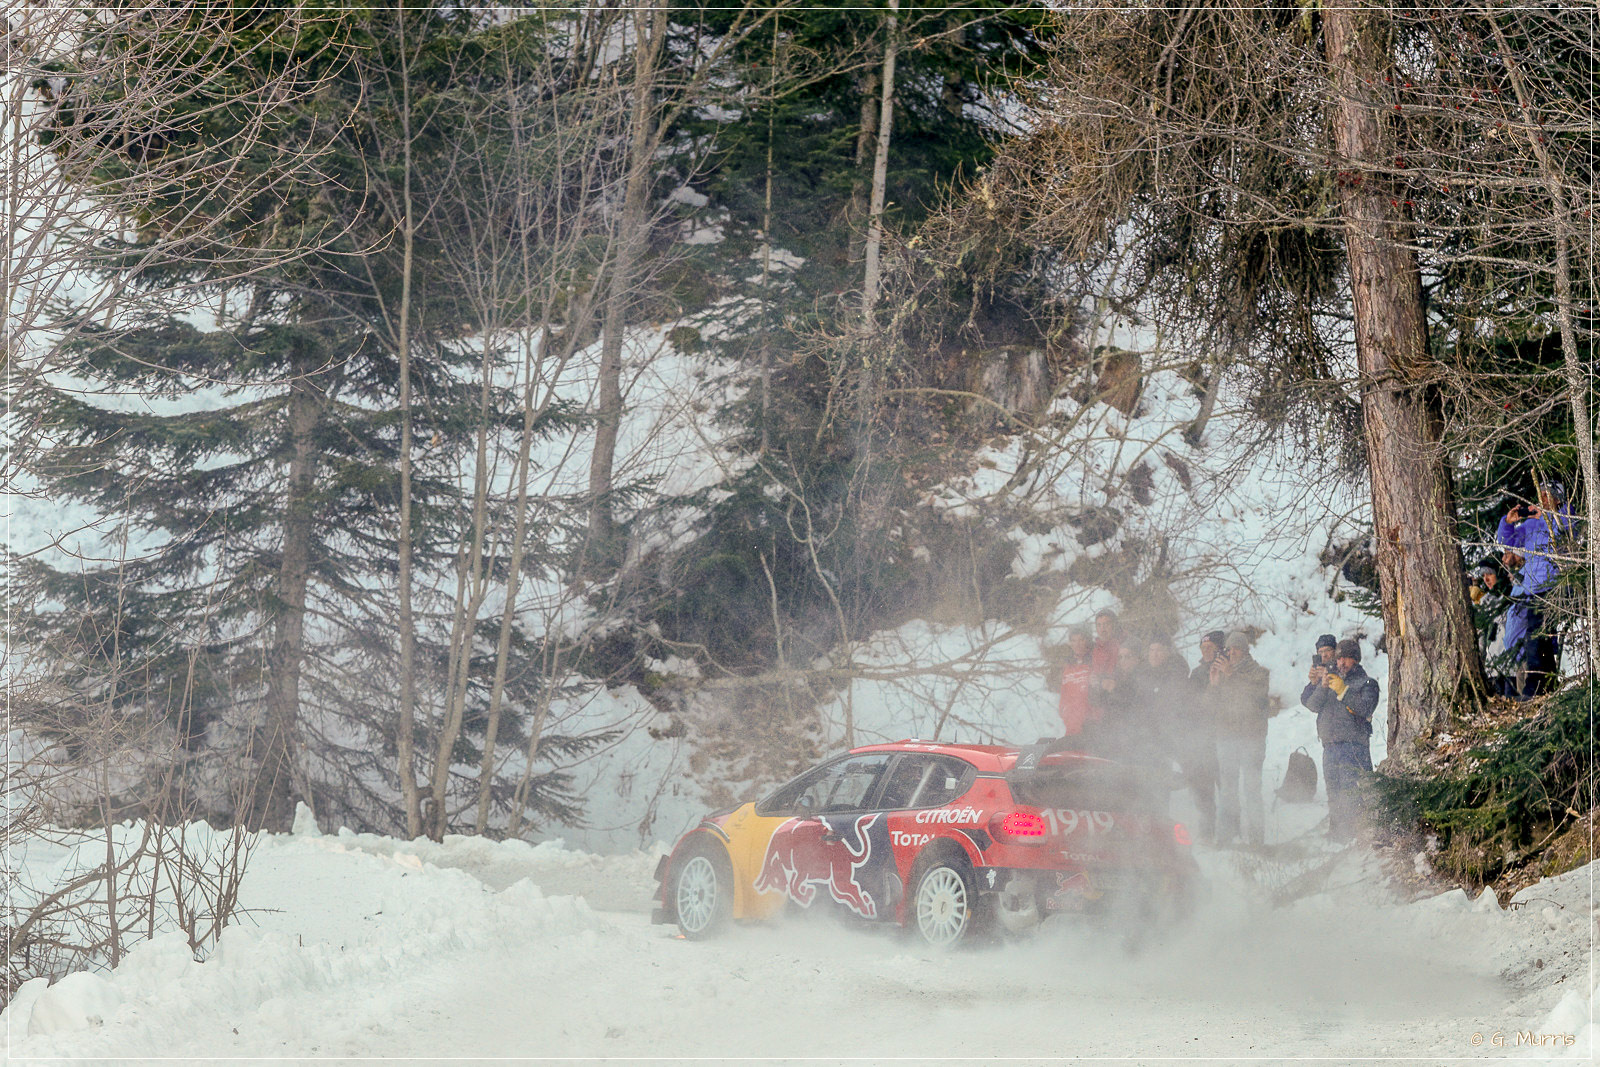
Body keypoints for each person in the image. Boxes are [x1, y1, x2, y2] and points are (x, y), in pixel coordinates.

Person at [1300, 638, 1380, 842]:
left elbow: (1365, 708)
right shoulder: (1331, 680)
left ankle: (1356, 836)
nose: (1342, 662)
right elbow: (1311, 705)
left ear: (1356, 660)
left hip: (1354, 747)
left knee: (1352, 792)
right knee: (1334, 792)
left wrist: (1344, 691)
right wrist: (1320, 685)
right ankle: (1336, 834)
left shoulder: (1367, 683)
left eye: (1347, 658)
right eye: (1339, 658)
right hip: (1330, 746)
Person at [1210, 629, 1272, 848]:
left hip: (1251, 739)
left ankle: (1256, 840)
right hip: (1226, 738)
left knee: (1252, 789)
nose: (1232, 652)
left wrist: (1231, 675)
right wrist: (1214, 685)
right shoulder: (1223, 672)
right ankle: (1224, 837)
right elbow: (1209, 706)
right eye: (1229, 649)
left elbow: (1255, 696)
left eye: (1236, 648)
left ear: (1245, 650)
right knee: (1227, 790)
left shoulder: (1259, 672)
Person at [1178, 630, 1226, 844]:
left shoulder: (1229, 670)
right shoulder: (1197, 673)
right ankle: (1207, 831)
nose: (1206, 651)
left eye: (1210, 648)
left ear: (1220, 649)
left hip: (1224, 736)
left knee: (1227, 787)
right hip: (1201, 738)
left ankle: (1230, 831)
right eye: (1203, 648)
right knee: (1204, 789)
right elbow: (1190, 705)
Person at [1057, 624, 1096, 737]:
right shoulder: (1069, 666)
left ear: (1087, 640)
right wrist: (1064, 711)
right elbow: (1064, 694)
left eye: (1081, 640)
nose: (1077, 644)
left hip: (1090, 727)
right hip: (1071, 727)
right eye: (1073, 641)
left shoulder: (1095, 662)